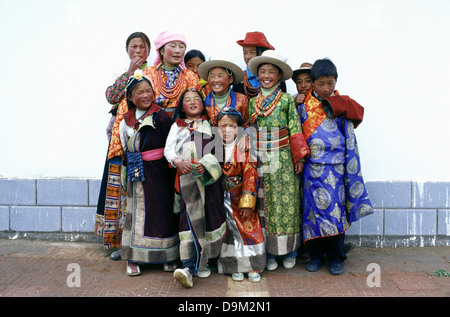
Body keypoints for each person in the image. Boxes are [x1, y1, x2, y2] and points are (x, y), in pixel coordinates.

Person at [298, 58, 373, 275]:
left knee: (335, 213)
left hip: (337, 169)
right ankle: (315, 255)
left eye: (330, 83)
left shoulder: (341, 105)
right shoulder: (302, 107)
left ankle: (336, 257)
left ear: (336, 81)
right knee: (312, 213)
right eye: (320, 84)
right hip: (312, 169)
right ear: (313, 83)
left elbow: (349, 137)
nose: (326, 89)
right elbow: (298, 135)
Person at [247, 50, 310, 271]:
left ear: (279, 76)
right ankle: (271, 253)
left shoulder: (285, 100)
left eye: (271, 72)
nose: (266, 75)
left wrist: (299, 156)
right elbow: (250, 131)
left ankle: (290, 251)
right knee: (266, 205)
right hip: (261, 159)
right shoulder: (252, 102)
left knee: (287, 203)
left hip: (283, 157)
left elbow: (294, 127)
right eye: (262, 71)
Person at [95, 32, 151, 256]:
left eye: (141, 47)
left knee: (139, 193)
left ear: (148, 50)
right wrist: (128, 73)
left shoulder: (153, 74)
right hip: (119, 145)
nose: (137, 51)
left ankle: (138, 242)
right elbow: (111, 96)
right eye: (133, 47)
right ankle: (117, 241)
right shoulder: (125, 76)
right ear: (127, 50)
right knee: (118, 192)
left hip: (142, 142)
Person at [118, 69, 178, 276]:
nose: (145, 96)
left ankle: (167, 256)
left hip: (160, 171)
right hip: (136, 171)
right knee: (136, 213)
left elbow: (171, 144)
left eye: (148, 91)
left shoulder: (161, 116)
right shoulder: (126, 121)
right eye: (139, 92)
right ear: (130, 97)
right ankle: (134, 258)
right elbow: (125, 147)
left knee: (162, 210)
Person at [165, 88, 226, 288]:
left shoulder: (212, 128)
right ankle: (189, 265)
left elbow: (219, 155)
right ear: (181, 106)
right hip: (187, 181)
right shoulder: (177, 127)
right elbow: (168, 151)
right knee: (188, 219)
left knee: (209, 218)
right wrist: (177, 162)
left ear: (203, 104)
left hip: (208, 184)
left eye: (196, 99)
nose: (192, 102)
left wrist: (206, 163)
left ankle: (206, 260)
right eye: (187, 100)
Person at [215, 108, 264, 283]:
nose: (227, 130)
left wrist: (247, 203)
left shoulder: (243, 148)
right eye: (223, 126)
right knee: (229, 234)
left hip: (239, 198)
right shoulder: (214, 147)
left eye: (232, 126)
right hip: (222, 198)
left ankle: (252, 266)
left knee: (247, 230)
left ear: (238, 129)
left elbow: (250, 175)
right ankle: (233, 266)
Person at [143, 31, 200, 119]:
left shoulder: (191, 77)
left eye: (181, 47)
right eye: (173, 46)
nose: (177, 51)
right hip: (152, 124)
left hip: (181, 126)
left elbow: (198, 108)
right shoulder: (147, 74)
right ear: (161, 50)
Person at [234, 31, 287, 99]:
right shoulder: (240, 79)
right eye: (245, 53)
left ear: (263, 53)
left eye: (252, 52)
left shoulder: (277, 79)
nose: (247, 57)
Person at [198, 58, 249, 128]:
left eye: (220, 76)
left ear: (230, 79)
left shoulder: (241, 100)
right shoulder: (204, 103)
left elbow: (246, 125)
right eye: (212, 76)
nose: (216, 80)